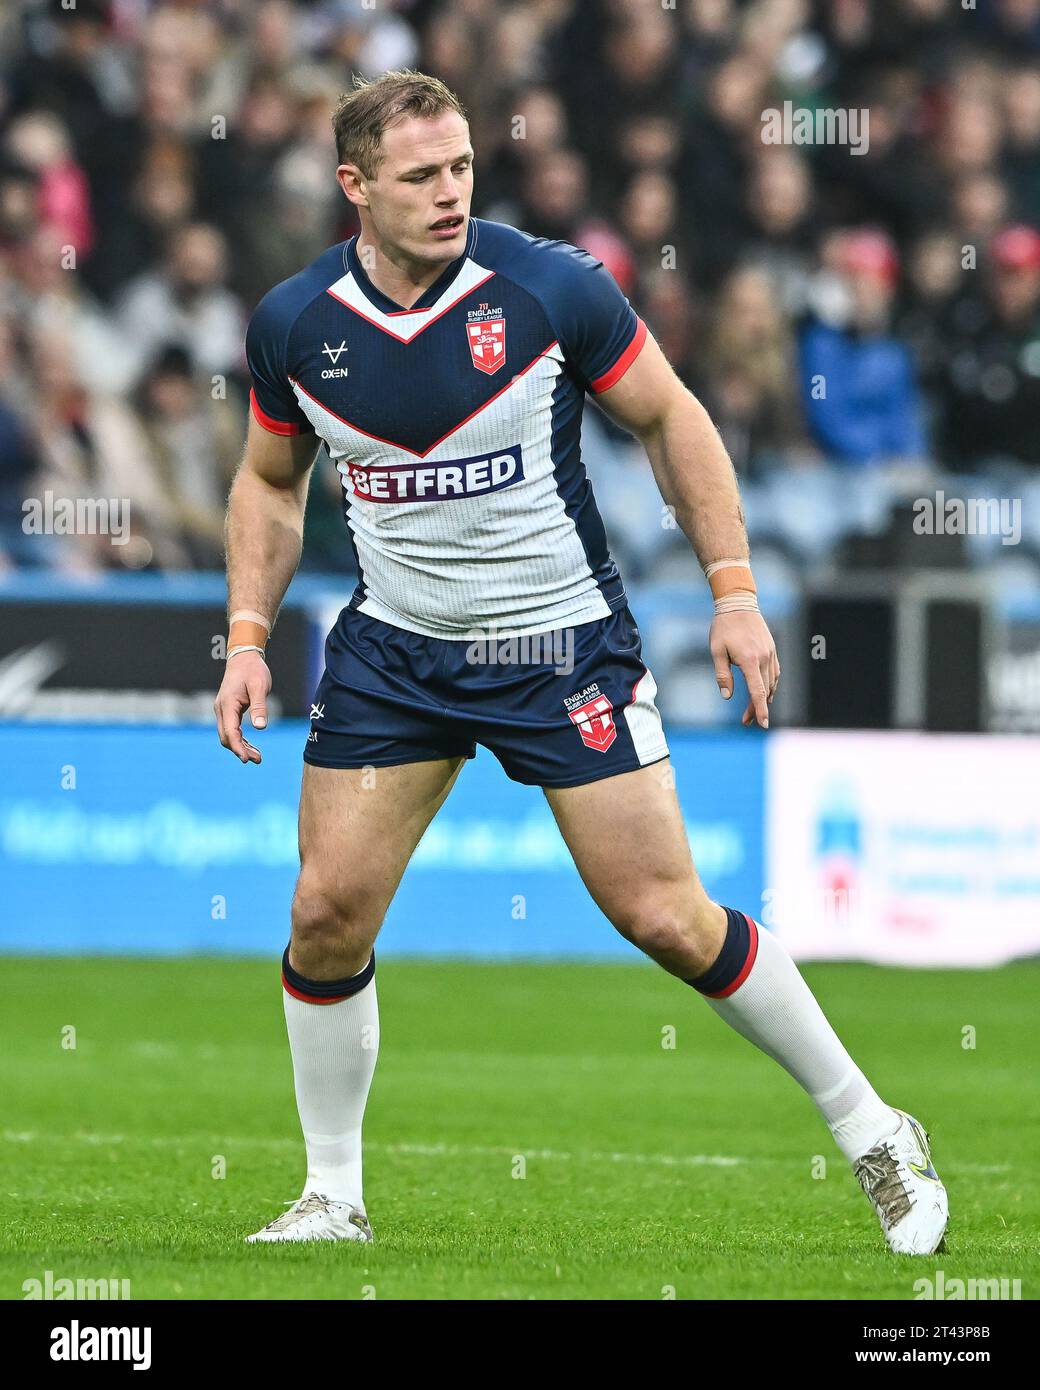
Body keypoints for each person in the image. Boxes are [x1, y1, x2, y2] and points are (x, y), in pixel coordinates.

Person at [213, 70, 947, 1255]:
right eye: (419, 176)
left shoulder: (549, 287)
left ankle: (872, 1126)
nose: (450, 193)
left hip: (559, 646)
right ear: (353, 188)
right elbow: (264, 479)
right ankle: (331, 1195)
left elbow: (671, 420)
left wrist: (734, 593)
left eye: (460, 167)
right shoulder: (296, 324)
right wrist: (247, 636)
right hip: (396, 649)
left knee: (663, 915)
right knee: (324, 913)